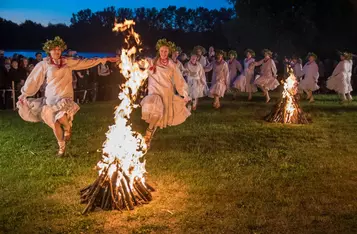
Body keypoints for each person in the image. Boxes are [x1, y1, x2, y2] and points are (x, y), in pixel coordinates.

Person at [17, 36, 118, 156]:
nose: (57, 51)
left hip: (65, 95)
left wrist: (103, 59)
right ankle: (61, 147)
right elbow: (34, 79)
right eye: (54, 49)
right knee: (54, 124)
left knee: (60, 117)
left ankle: (68, 127)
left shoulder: (67, 61)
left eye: (59, 49)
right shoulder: (44, 64)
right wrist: (25, 93)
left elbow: (85, 63)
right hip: (51, 97)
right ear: (49, 51)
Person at [141, 39, 190, 148]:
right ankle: (148, 134)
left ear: (169, 52)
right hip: (154, 92)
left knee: (158, 118)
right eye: (162, 51)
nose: (164, 53)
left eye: (166, 51)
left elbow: (179, 80)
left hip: (166, 93)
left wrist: (184, 93)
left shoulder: (172, 64)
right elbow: (137, 64)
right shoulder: (152, 62)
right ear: (159, 50)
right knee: (155, 114)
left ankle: (147, 140)